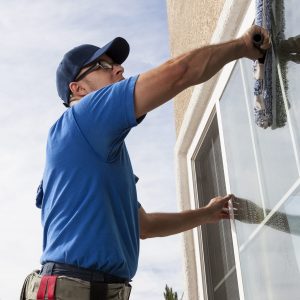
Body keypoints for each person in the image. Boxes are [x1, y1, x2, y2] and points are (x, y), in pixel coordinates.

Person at [20, 25, 270, 300]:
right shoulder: (84, 117)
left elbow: (145, 226)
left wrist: (206, 214)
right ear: (77, 88)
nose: (119, 70)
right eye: (104, 65)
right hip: (73, 290)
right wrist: (243, 46)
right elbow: (179, 72)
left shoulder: (99, 154)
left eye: (116, 64)